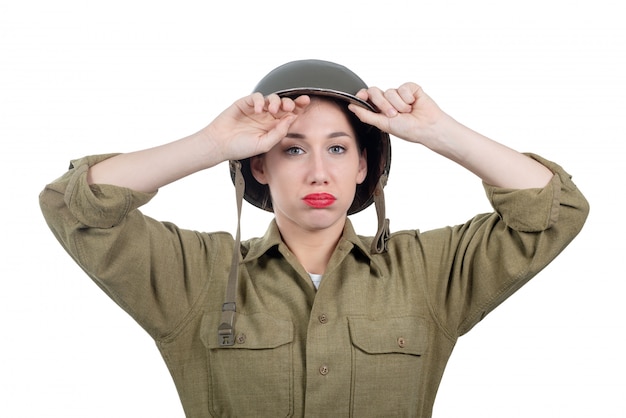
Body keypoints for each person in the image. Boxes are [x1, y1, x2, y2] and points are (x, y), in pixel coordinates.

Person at [39, 59, 589, 417]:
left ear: (363, 168)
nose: (319, 173)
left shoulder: (428, 271)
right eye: (294, 149)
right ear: (258, 166)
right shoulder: (197, 275)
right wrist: (210, 143)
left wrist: (440, 134)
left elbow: (553, 210)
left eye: (339, 148)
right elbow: (75, 206)